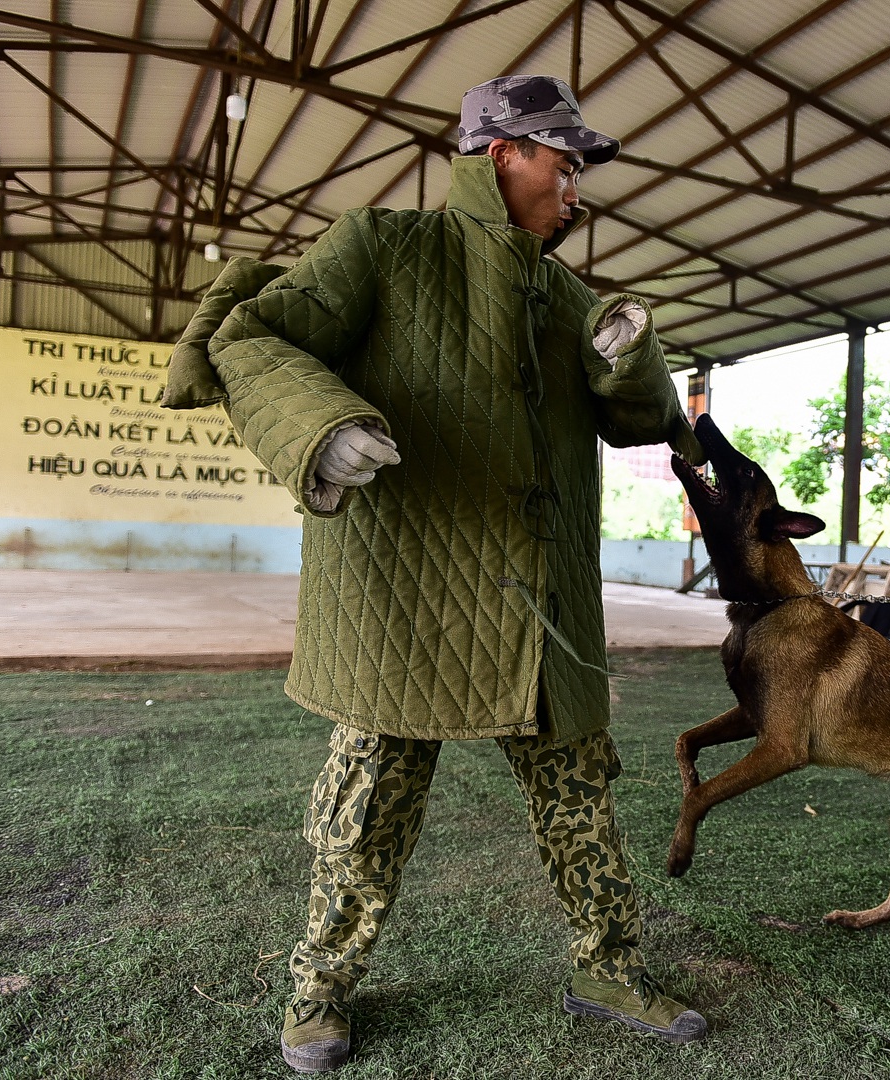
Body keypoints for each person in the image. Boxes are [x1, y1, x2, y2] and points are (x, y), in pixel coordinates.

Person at [172, 75, 709, 1072]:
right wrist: (319, 428)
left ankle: (608, 966)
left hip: (540, 600)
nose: (576, 189)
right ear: (501, 154)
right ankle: (319, 989)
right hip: (408, 589)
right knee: (365, 808)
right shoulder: (383, 246)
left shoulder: (567, 295)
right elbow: (252, 338)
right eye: (565, 162)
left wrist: (632, 358)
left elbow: (642, 425)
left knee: (581, 798)